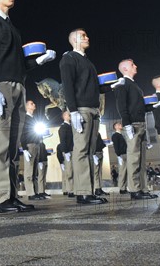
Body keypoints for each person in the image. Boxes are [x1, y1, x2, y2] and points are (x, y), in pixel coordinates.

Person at [0, 0, 56, 213]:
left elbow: (18, 63)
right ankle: (0, 198)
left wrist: (37, 62)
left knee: (12, 145)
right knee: (0, 141)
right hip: (2, 86)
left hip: (19, 86)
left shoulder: (13, 28)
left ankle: (10, 194)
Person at [59, 29, 110, 205]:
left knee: (89, 151)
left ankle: (89, 190)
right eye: (83, 36)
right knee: (81, 150)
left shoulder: (87, 62)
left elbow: (93, 87)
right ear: (74, 40)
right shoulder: (69, 58)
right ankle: (82, 193)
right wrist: (73, 111)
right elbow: (68, 86)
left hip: (93, 109)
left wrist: (111, 86)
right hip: (81, 109)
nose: (87, 37)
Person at [114, 59, 158, 200]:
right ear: (125, 68)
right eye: (133, 65)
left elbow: (139, 106)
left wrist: (152, 106)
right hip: (132, 124)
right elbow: (122, 105)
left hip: (141, 124)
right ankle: (134, 189)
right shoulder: (123, 84)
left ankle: (142, 188)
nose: (136, 66)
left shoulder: (135, 86)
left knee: (141, 159)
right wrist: (126, 124)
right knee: (133, 158)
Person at [21, 100, 44, 200]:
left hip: (36, 145)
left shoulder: (34, 118)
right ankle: (30, 193)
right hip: (29, 145)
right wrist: (24, 149)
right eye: (31, 103)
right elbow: (22, 134)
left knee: (35, 171)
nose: (34, 104)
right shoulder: (24, 118)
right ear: (26, 107)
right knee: (29, 170)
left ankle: (36, 191)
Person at [58, 111, 74, 198]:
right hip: (69, 151)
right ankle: (70, 190)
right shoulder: (63, 127)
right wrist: (66, 152)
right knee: (69, 172)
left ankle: (74, 189)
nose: (70, 116)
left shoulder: (71, 126)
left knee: (74, 171)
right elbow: (62, 141)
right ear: (64, 116)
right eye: (69, 114)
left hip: (73, 151)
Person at [111, 122, 128, 194]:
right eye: (119, 124)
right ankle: (122, 188)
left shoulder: (122, 135)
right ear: (115, 127)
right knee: (122, 172)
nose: (121, 125)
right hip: (122, 155)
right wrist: (118, 155)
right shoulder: (115, 135)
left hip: (126, 154)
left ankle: (125, 187)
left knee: (126, 172)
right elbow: (116, 146)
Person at [93, 132, 109, 196]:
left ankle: (99, 188)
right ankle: (97, 188)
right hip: (95, 153)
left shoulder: (97, 132)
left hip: (99, 152)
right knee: (96, 172)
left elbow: (99, 143)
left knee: (99, 172)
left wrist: (105, 143)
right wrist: (93, 154)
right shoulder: (91, 131)